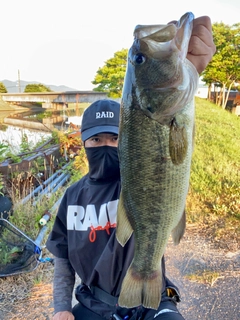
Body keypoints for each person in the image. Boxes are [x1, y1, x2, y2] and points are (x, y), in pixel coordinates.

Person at [46, 16, 216, 320]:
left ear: (126, 140)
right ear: (83, 143)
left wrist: (191, 69)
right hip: (92, 304)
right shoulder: (72, 197)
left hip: (152, 300)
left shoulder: (131, 181)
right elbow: (62, 261)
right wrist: (61, 308)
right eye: (95, 139)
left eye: (114, 137)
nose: (105, 145)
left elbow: (158, 158)